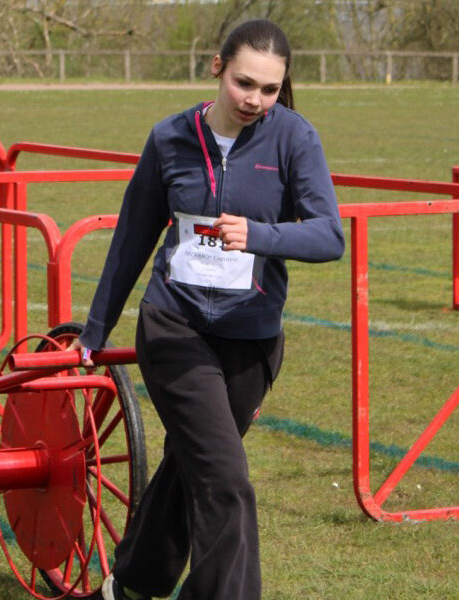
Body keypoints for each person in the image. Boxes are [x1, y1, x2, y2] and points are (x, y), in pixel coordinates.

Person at [74, 19, 344, 600]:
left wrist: (262, 235)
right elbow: (132, 238)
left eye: (270, 89)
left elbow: (329, 236)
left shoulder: (294, 138)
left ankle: (132, 584)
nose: (256, 100)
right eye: (245, 83)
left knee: (192, 462)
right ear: (217, 67)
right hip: (174, 326)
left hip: (252, 338)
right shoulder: (170, 137)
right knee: (226, 479)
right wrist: (95, 331)